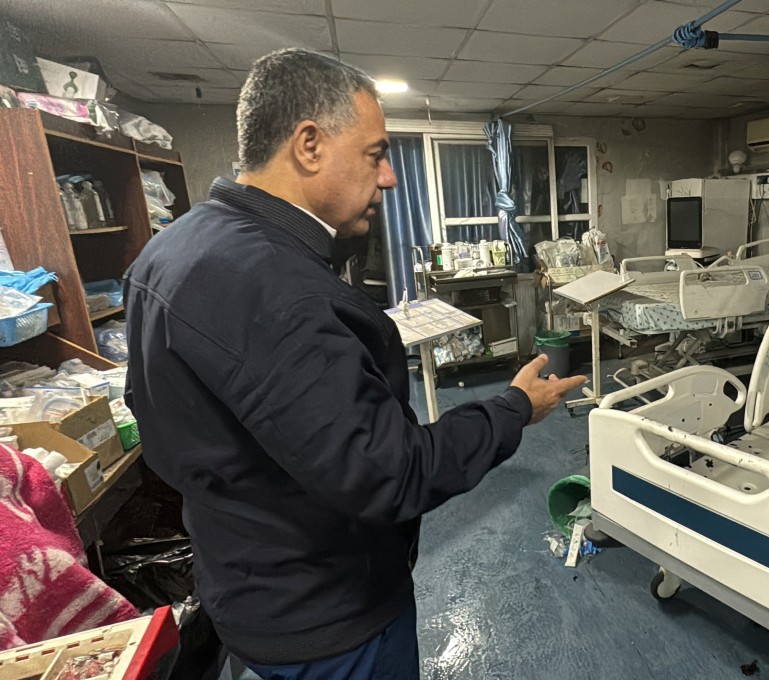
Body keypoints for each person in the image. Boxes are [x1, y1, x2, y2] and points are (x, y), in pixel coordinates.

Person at [123, 48, 586, 680]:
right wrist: (513, 410)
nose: (390, 177)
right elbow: (390, 474)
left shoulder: (169, 251)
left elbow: (156, 426)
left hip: (241, 583)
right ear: (308, 145)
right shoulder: (276, 288)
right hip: (329, 620)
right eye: (375, 153)